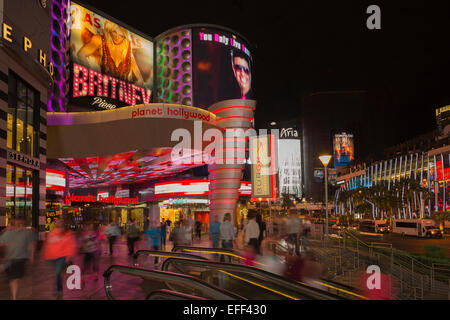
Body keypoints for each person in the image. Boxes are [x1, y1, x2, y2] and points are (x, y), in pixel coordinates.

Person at [77, 20, 144, 85]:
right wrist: (92, 76)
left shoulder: (127, 52)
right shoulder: (100, 40)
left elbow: (140, 80)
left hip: (120, 94)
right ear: (110, 30)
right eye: (115, 32)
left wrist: (130, 92)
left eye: (121, 36)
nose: (117, 37)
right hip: (102, 89)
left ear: (124, 37)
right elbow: (81, 54)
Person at [0, 219, 37, 300]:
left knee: (13, 279)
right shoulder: (27, 232)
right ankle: (14, 296)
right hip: (19, 258)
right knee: (15, 279)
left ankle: (14, 296)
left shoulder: (8, 233)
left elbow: (2, 243)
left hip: (11, 259)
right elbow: (32, 243)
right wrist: (32, 255)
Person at [41, 219, 77, 298]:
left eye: (60, 223)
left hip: (62, 256)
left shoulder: (68, 233)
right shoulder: (52, 232)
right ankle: (57, 286)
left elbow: (70, 245)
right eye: (57, 223)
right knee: (57, 273)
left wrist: (69, 256)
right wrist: (44, 254)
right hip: (52, 257)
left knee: (57, 272)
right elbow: (47, 244)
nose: (58, 224)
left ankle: (59, 289)